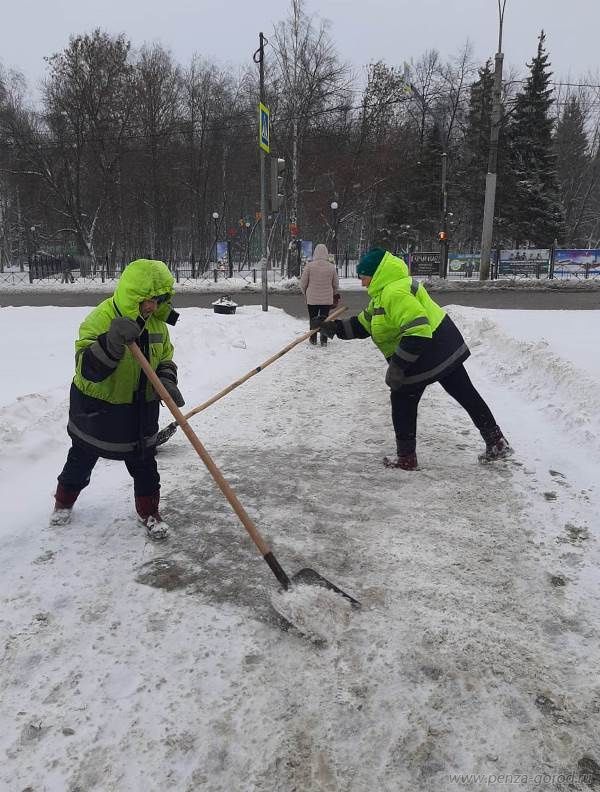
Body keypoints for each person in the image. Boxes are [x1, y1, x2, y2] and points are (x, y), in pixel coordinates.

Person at [319, 247, 511, 469]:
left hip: (429, 346)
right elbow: (364, 324)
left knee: (403, 399)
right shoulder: (383, 294)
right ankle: (496, 442)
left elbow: (418, 330)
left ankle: (407, 459)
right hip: (443, 344)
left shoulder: (394, 293)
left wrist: (398, 365)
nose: (362, 283)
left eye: (364, 277)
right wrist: (334, 328)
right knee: (464, 392)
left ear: (376, 273)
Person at [50, 258, 185, 540]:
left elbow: (166, 356)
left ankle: (149, 512)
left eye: (159, 300)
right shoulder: (100, 319)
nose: (152, 306)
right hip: (97, 412)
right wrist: (110, 343)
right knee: (81, 457)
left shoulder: (158, 324)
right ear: (133, 295)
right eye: (147, 300)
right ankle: (63, 501)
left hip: (140, 414)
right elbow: (85, 369)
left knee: (146, 467)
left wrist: (166, 379)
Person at [299, 243, 340, 346]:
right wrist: (334, 294)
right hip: (326, 300)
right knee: (325, 319)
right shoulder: (331, 267)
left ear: (315, 253)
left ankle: (313, 339)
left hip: (312, 299)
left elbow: (303, 284)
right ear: (326, 253)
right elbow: (335, 284)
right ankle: (324, 340)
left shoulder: (309, 266)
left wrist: (306, 294)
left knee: (313, 318)